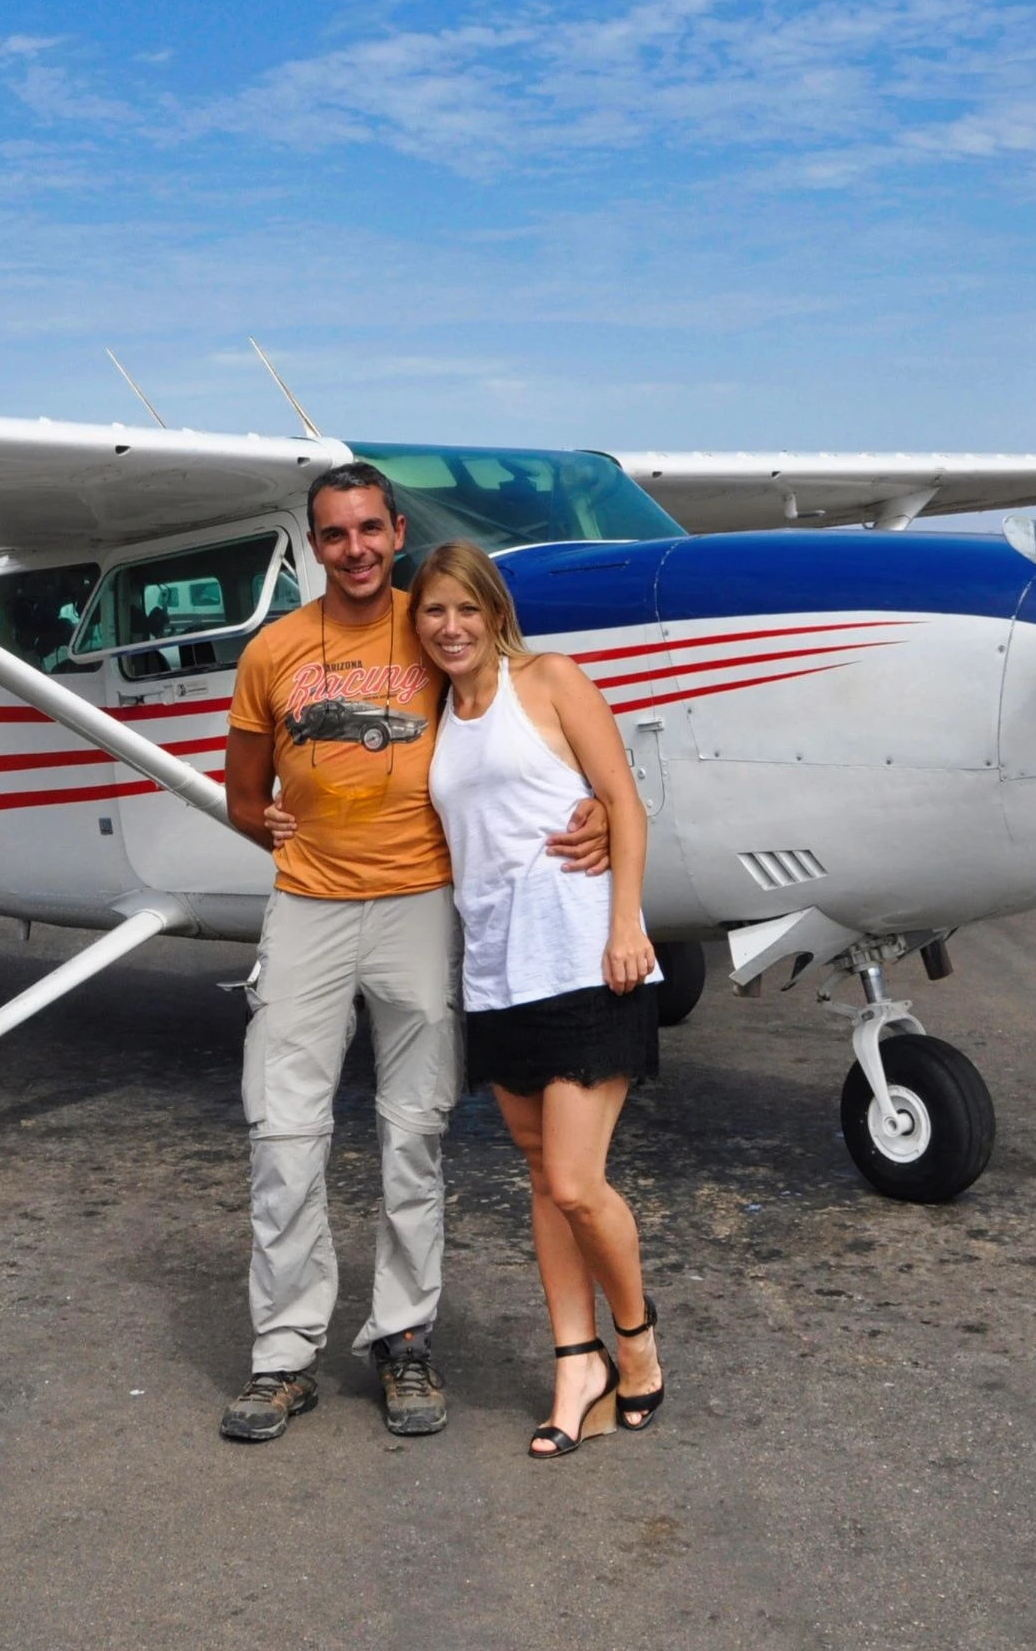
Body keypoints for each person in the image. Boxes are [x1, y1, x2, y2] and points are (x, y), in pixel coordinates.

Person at [217, 463, 605, 1445]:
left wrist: (596, 808)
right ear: (316, 546)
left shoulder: (436, 629)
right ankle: (284, 1356)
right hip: (308, 905)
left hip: (419, 905)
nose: (353, 549)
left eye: (369, 530)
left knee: (414, 1130)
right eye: (334, 534)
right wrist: (288, 842)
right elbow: (242, 792)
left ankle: (404, 1339)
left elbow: (530, 723)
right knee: (283, 1128)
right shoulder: (273, 652)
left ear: (397, 531)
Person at [413, 539, 666, 1459]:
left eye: (466, 609)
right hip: (497, 970)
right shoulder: (439, 715)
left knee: (573, 1180)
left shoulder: (550, 679)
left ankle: (637, 1348)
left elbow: (623, 803)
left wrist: (628, 923)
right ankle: (576, 1365)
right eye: (434, 612)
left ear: (496, 613)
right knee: (540, 1180)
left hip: (585, 957)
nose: (451, 627)